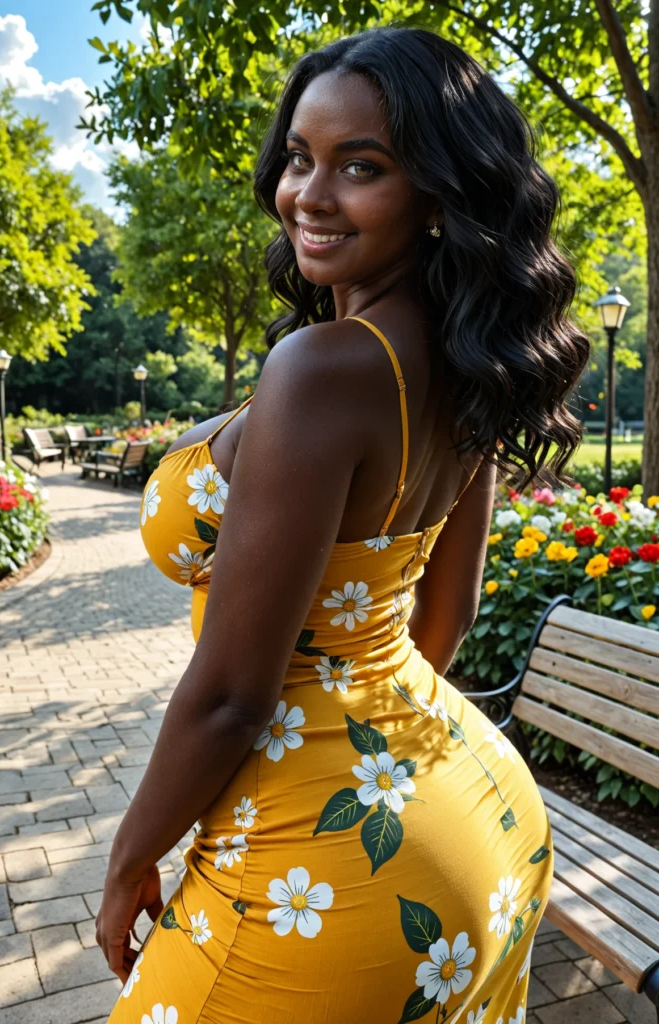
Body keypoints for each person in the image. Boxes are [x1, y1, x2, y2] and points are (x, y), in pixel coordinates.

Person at [99, 25, 589, 1024]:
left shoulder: (323, 370)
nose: (308, 196)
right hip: (473, 810)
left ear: (439, 197)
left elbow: (232, 697)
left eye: (360, 167)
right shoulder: (464, 362)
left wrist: (126, 860)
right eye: (298, 158)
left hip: (326, 866)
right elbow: (444, 623)